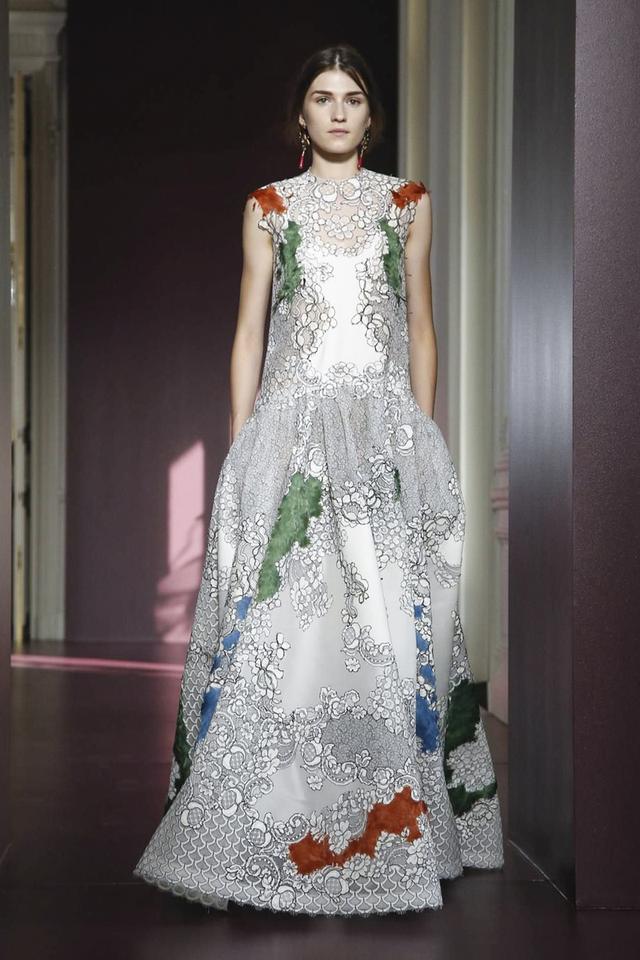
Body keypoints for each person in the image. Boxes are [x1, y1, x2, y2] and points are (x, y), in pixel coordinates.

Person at [133, 43, 504, 916]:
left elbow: (420, 323)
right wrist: (242, 443)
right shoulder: (269, 208)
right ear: (300, 116)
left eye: (353, 97)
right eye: (323, 97)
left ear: (371, 116)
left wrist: (419, 433)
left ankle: (396, 822)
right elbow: (249, 332)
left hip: (380, 432)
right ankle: (270, 821)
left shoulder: (406, 204)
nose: (338, 110)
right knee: (286, 622)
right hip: (294, 433)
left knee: (388, 622)